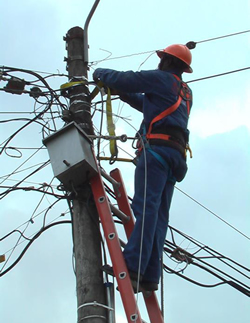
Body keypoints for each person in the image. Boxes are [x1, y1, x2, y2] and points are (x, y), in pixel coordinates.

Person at [93, 44, 193, 292]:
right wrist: (123, 94)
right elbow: (148, 104)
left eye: (162, 59)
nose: (159, 62)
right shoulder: (185, 91)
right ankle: (150, 276)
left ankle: (134, 265)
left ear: (168, 62)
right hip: (175, 157)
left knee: (146, 209)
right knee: (159, 216)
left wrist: (99, 73)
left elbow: (127, 79)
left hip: (156, 153)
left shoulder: (160, 78)